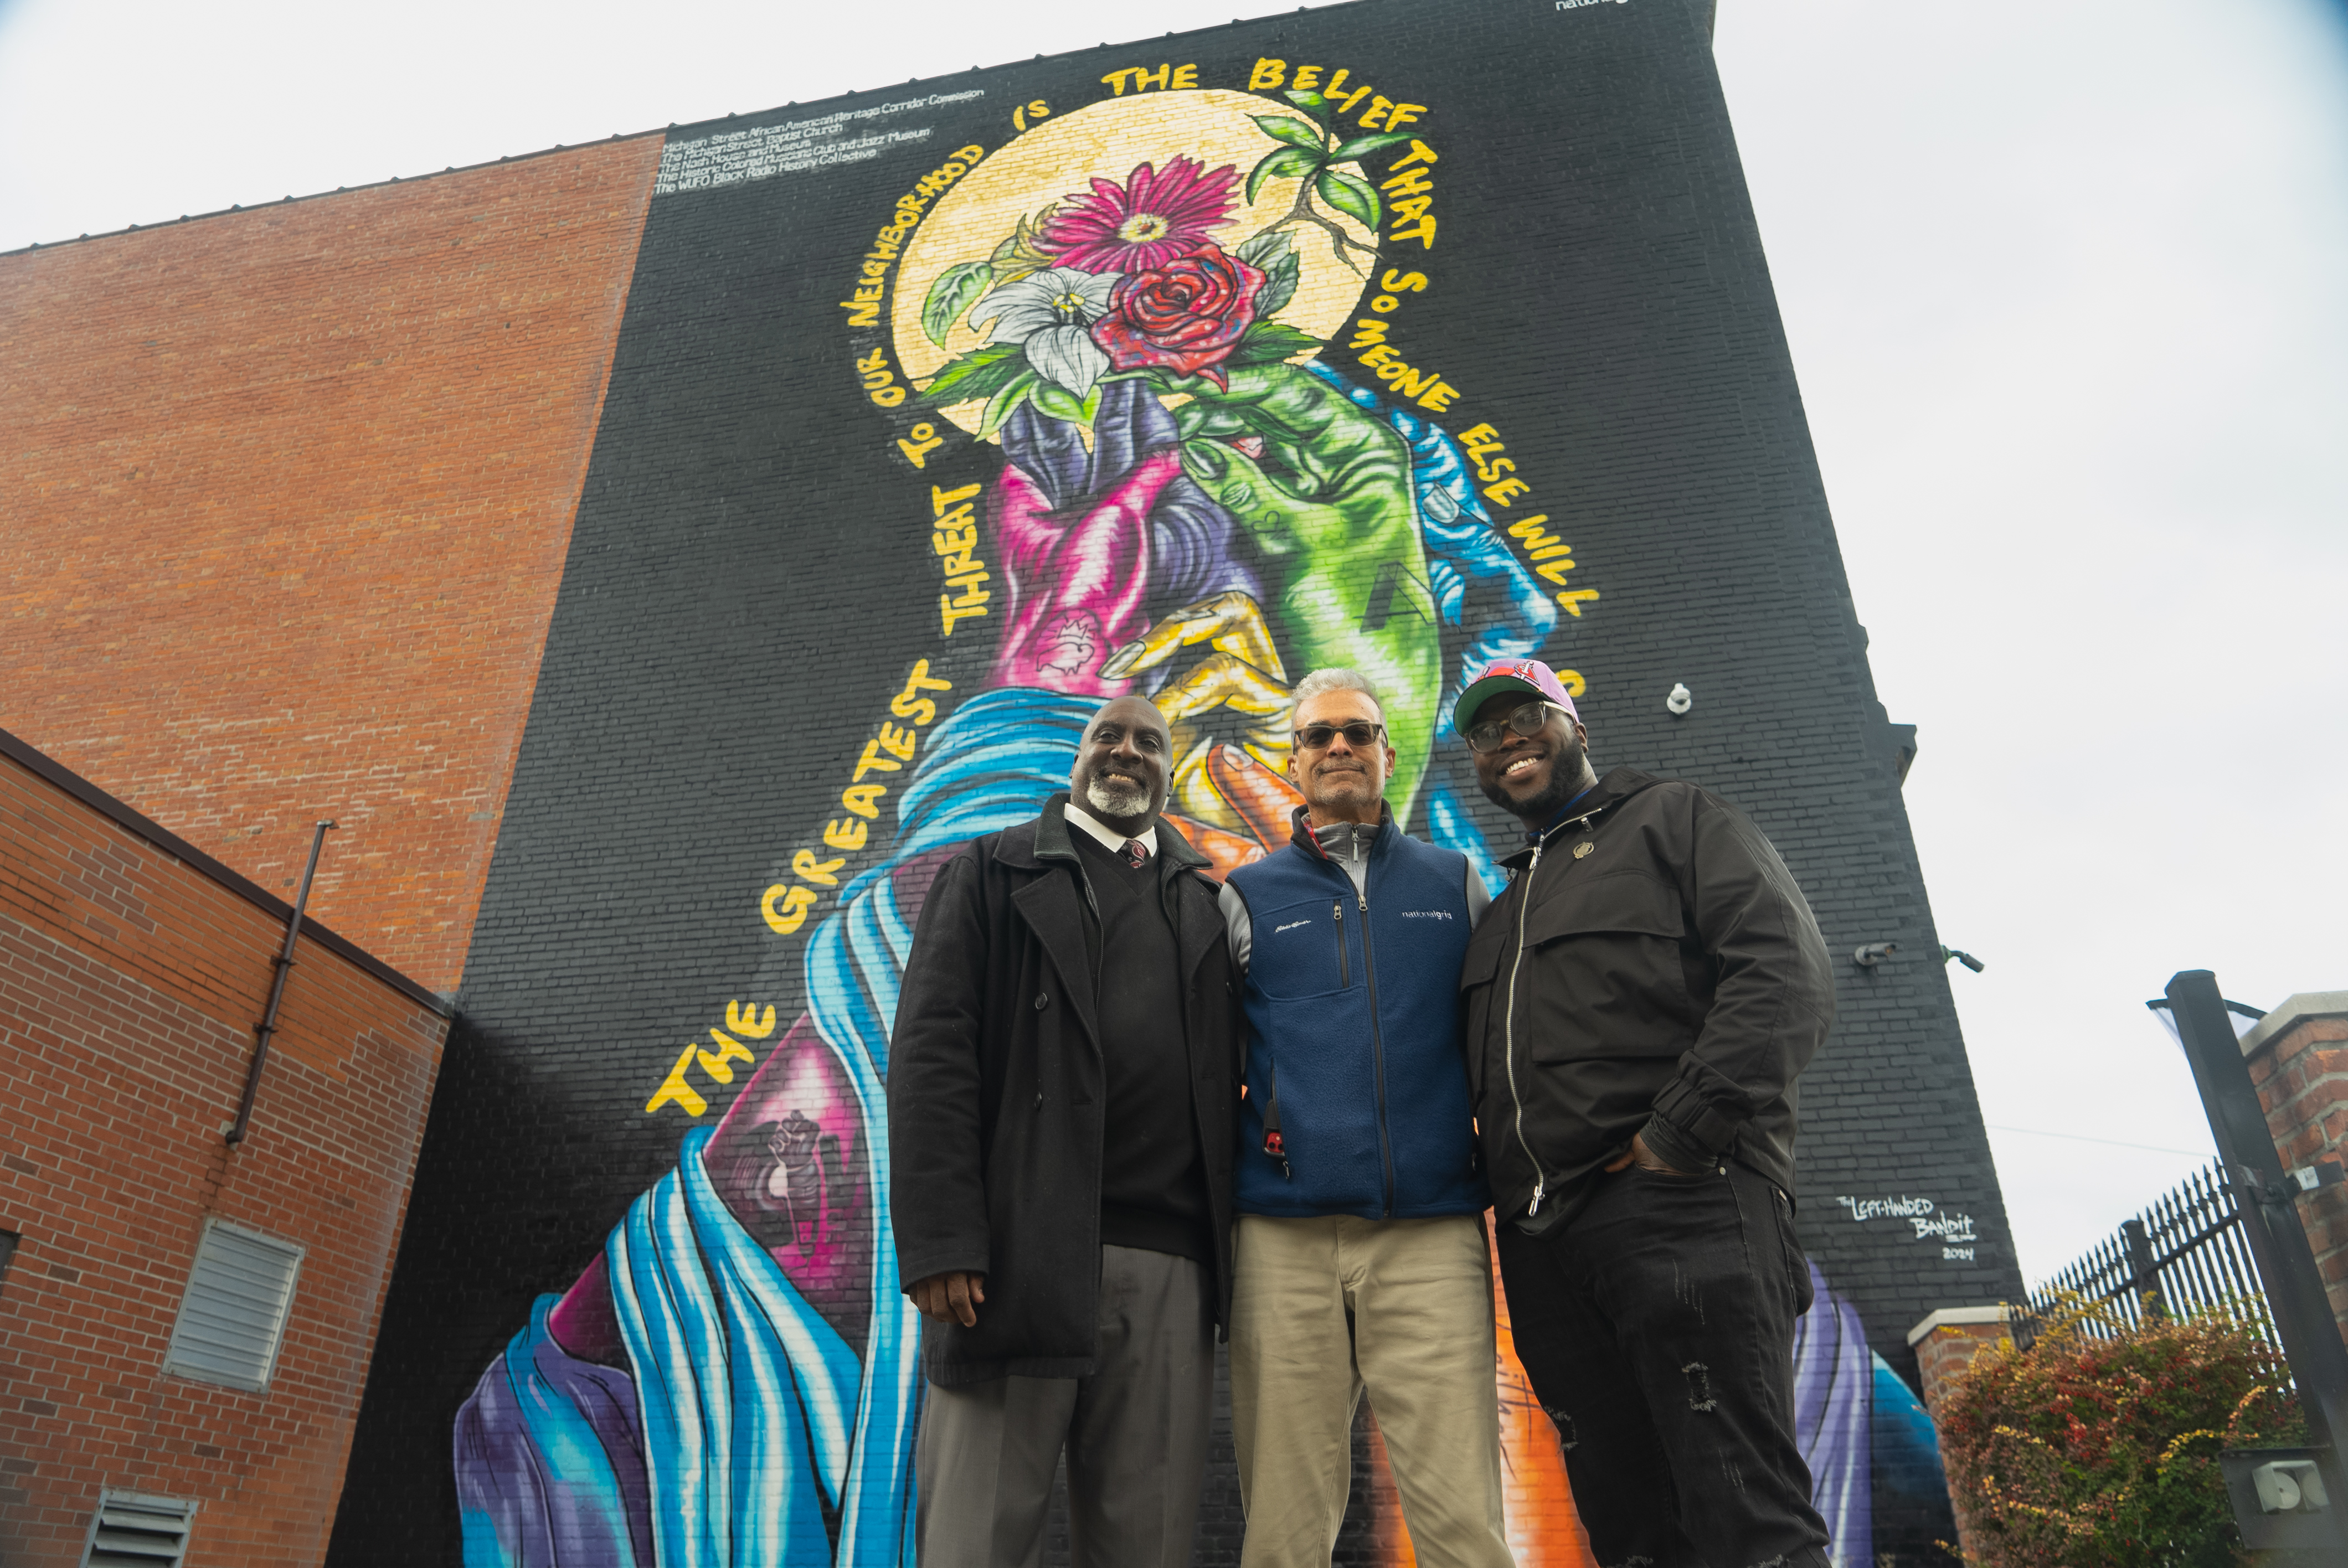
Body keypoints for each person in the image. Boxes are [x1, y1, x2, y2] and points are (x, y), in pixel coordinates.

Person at [1454, 657, 1838, 1568]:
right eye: (1485, 731)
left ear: (1577, 728)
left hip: (1684, 1207)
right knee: (1630, 1533)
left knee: (1749, 1518)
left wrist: (1678, 1134)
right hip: (1549, 1254)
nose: (1508, 737)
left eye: (1528, 715)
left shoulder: (1677, 821)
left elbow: (1786, 975)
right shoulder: (1500, 916)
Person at [887, 694, 1240, 1568]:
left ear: (1172, 766)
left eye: (1148, 742)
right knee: (973, 1542)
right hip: (1014, 1260)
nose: (1126, 753)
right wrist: (939, 1240)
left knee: (1146, 1547)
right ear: (1077, 759)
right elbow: (931, 1060)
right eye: (1106, 737)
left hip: (1173, 1265)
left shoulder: (1207, 902)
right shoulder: (990, 872)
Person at [1218, 668, 1516, 1568]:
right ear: (1294, 760)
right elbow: (1206, 1063)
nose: (1339, 746)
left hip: (1430, 1231)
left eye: (1358, 731)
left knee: (1465, 1522)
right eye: (1318, 736)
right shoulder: (1245, 896)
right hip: (1282, 1236)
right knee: (1282, 1531)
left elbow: (1501, 1044)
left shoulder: (1457, 882)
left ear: (1388, 753)